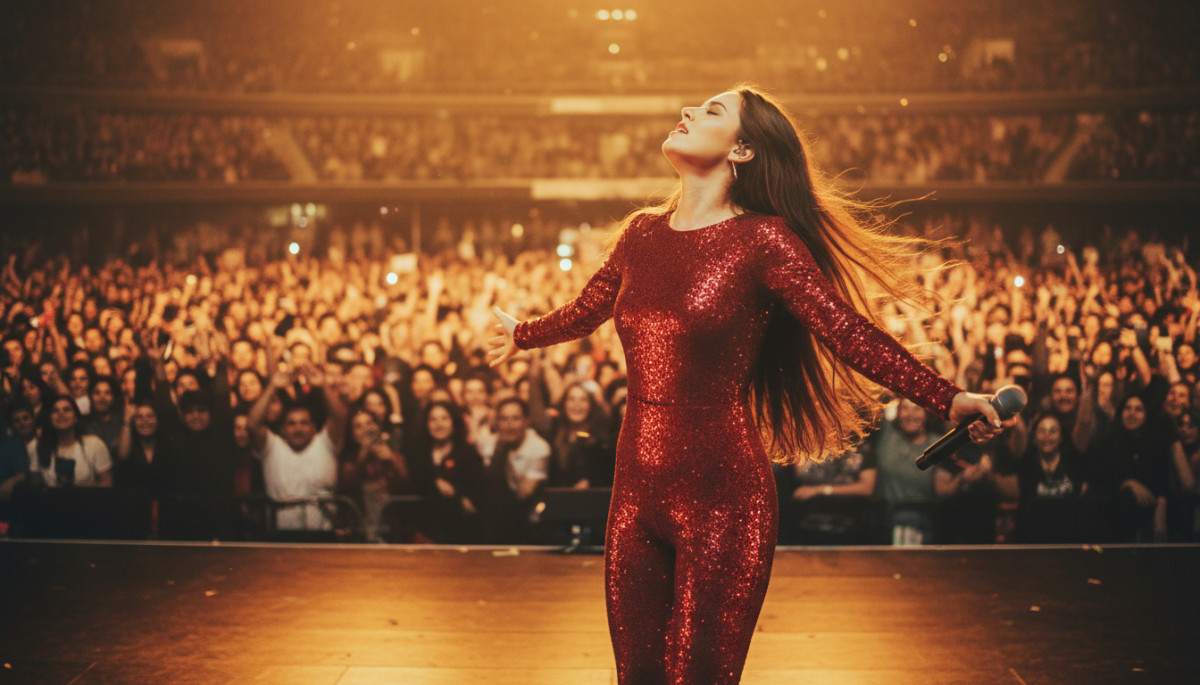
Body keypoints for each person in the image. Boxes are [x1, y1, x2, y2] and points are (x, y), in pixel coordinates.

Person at [487, 86, 1005, 683]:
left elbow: (846, 331)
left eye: (710, 111)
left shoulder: (763, 241)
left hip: (724, 502)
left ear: (743, 149)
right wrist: (522, 333)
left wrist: (948, 398)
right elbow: (585, 310)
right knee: (636, 678)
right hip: (634, 498)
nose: (686, 111)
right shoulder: (641, 235)